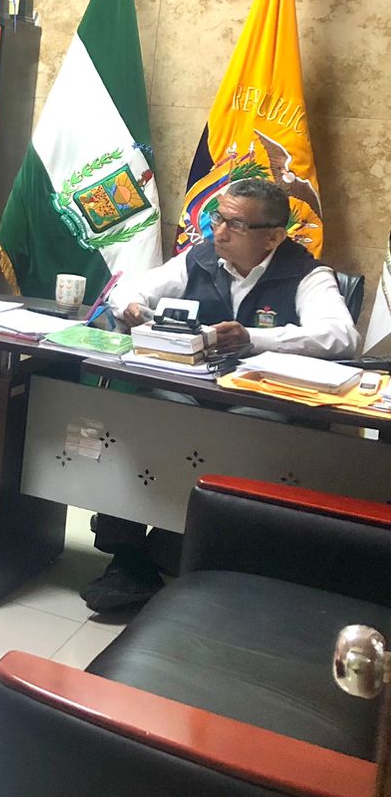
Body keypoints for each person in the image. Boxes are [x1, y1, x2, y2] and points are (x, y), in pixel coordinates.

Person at [84, 176, 361, 611]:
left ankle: (201, 553)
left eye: (236, 224)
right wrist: (133, 308)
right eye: (217, 218)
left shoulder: (307, 273)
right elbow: (128, 291)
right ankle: (128, 556)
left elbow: (340, 336)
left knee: (248, 429)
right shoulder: (200, 258)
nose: (219, 231)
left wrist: (253, 337)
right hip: (193, 389)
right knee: (150, 412)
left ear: (273, 237)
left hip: (258, 400)